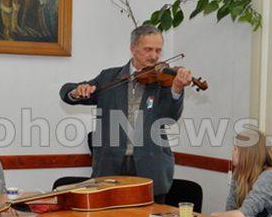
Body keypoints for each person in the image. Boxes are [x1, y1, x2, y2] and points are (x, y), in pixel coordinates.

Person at [59, 24, 193, 202]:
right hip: (110, 167)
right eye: (148, 49)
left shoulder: (163, 81)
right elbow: (66, 92)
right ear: (133, 48)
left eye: (158, 50)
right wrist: (76, 91)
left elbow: (169, 118)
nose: (154, 56)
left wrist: (176, 89)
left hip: (151, 168)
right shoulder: (109, 77)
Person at [212, 130, 272, 217]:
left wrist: (214, 215)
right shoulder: (239, 173)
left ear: (247, 154)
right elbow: (230, 210)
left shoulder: (269, 177)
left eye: (235, 149)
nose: (232, 152)